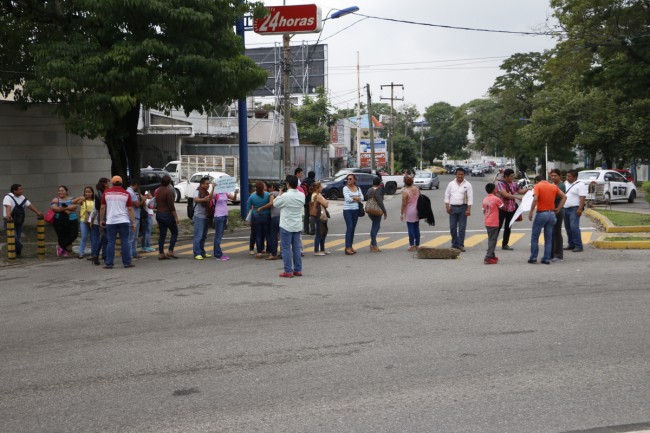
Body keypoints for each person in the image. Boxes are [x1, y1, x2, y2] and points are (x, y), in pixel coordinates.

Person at [99, 176, 137, 269]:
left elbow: (102, 207)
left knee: (111, 242)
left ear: (112, 183)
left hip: (111, 221)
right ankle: (127, 263)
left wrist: (101, 219)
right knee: (125, 242)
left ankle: (109, 263)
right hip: (123, 220)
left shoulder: (106, 193)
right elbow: (130, 209)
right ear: (121, 183)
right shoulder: (126, 194)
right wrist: (133, 222)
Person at [528, 175, 566, 265]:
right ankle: (546, 258)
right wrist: (558, 208)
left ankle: (533, 257)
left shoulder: (537, 186)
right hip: (552, 214)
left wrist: (531, 211)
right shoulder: (553, 186)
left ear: (537, 181)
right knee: (549, 238)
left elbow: (535, 199)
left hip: (542, 213)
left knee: (535, 237)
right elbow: (564, 196)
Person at [272, 175, 305, 277]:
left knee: (286, 248)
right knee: (296, 248)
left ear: (288, 184)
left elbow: (275, 203)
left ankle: (288, 271)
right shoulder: (301, 195)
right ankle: (298, 269)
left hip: (286, 224)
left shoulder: (285, 196)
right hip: (297, 224)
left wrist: (280, 193)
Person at [3, 184, 43, 257]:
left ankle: (18, 253)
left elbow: (29, 205)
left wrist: (37, 212)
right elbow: (7, 206)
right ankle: (19, 247)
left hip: (19, 221)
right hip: (10, 221)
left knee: (17, 237)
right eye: (20, 189)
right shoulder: (8, 197)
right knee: (13, 237)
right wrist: (8, 215)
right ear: (14, 191)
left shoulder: (22, 197)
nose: (22, 191)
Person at [496, 168, 529, 250]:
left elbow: (520, 191)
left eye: (513, 176)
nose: (512, 178)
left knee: (508, 226)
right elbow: (505, 194)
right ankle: (492, 244)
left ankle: (505, 244)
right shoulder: (500, 184)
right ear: (505, 176)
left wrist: (528, 189)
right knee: (498, 227)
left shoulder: (514, 184)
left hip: (511, 208)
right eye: (511, 176)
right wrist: (516, 197)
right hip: (502, 208)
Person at [444, 168, 473, 252]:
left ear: (464, 175)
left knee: (462, 228)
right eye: (458, 174)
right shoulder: (451, 184)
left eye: (462, 174)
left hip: (463, 208)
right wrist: (447, 207)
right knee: (452, 227)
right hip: (452, 208)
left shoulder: (468, 185)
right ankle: (454, 243)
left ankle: (460, 244)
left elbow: (470, 198)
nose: (460, 176)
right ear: (456, 174)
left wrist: (468, 209)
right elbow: (447, 196)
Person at [155, 174, 179, 260]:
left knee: (162, 234)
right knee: (174, 232)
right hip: (167, 214)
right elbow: (171, 206)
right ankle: (170, 251)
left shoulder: (158, 191)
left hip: (159, 214)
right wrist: (176, 217)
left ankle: (161, 253)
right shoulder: (168, 191)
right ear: (169, 182)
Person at [211, 181, 237, 261]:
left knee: (220, 235)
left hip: (224, 215)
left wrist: (235, 193)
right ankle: (218, 254)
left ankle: (217, 253)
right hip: (218, 216)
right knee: (218, 236)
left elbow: (233, 199)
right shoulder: (216, 193)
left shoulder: (225, 192)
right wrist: (213, 187)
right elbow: (210, 197)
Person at [50, 185, 79, 257]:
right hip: (59, 220)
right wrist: (66, 209)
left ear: (66, 191)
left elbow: (74, 207)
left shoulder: (72, 199)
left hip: (72, 219)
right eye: (59, 190)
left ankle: (60, 247)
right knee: (62, 236)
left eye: (62, 190)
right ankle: (64, 251)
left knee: (74, 234)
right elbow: (54, 208)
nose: (60, 192)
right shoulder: (56, 199)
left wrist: (62, 208)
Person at [563, 169, 588, 253]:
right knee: (568, 228)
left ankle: (578, 245)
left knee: (574, 227)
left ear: (575, 177)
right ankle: (571, 244)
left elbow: (582, 197)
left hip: (574, 208)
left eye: (569, 176)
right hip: (565, 208)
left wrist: (580, 209)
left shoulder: (580, 185)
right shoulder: (565, 183)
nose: (567, 177)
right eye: (567, 176)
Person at [248, 181, 271, 258]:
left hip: (256, 216)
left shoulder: (252, 196)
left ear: (256, 188)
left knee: (258, 234)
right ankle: (270, 251)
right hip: (267, 215)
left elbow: (248, 207)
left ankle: (259, 252)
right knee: (267, 234)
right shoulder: (268, 195)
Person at [342, 173, 364, 255]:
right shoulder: (345, 188)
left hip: (356, 210)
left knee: (353, 228)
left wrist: (355, 198)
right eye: (348, 179)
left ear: (355, 180)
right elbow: (347, 199)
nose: (348, 180)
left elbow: (362, 198)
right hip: (347, 210)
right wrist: (356, 198)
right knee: (350, 227)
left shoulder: (358, 188)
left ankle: (350, 246)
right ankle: (347, 247)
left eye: (350, 179)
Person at [482, 183, 504, 265]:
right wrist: (499, 196)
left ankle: (492, 255)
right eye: (496, 188)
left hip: (487, 221)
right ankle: (488, 257)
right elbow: (502, 207)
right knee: (493, 240)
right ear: (494, 190)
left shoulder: (485, 199)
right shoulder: (496, 199)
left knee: (491, 238)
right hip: (494, 222)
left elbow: (484, 210)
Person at [192, 177, 212, 260]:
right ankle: (197, 253)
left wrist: (214, 188)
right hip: (199, 216)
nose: (208, 185)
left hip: (206, 216)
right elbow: (195, 199)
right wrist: (203, 199)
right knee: (198, 235)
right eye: (207, 184)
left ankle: (202, 252)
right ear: (202, 184)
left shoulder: (206, 192)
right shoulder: (197, 191)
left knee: (204, 236)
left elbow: (210, 198)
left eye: (209, 184)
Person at [73, 186, 97, 259]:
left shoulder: (95, 201)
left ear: (92, 193)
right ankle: (81, 253)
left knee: (93, 238)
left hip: (93, 221)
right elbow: (74, 202)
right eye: (86, 192)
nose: (87, 193)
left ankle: (94, 253)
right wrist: (81, 198)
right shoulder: (83, 200)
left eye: (89, 192)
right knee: (84, 236)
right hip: (84, 220)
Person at [90, 177, 109, 265]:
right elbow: (97, 208)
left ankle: (99, 255)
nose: (109, 184)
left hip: (101, 216)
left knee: (104, 237)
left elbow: (95, 209)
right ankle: (99, 255)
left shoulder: (98, 194)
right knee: (104, 237)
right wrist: (92, 220)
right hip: (104, 216)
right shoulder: (105, 193)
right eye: (108, 183)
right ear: (105, 184)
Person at [549, 169, 566, 262]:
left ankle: (558, 255)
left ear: (559, 176)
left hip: (558, 211)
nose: (553, 177)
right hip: (551, 211)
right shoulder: (553, 185)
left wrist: (558, 208)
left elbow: (556, 196)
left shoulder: (561, 185)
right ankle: (552, 254)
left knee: (557, 233)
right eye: (552, 176)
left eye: (555, 175)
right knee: (551, 233)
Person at [126, 179, 145, 260]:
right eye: (138, 186)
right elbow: (137, 204)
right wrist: (144, 199)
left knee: (134, 237)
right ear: (136, 184)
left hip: (133, 216)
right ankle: (130, 255)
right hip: (133, 217)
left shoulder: (129, 192)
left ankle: (134, 253)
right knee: (132, 237)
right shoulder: (131, 193)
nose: (138, 188)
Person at [367, 177, 387, 253]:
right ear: (379, 183)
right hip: (377, 210)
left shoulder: (369, 189)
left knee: (375, 225)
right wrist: (384, 212)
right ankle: (373, 245)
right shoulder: (379, 190)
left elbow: (367, 197)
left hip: (370, 210)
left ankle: (372, 243)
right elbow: (380, 202)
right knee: (376, 226)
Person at [401, 175, 421, 252]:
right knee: (416, 227)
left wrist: (401, 213)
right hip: (418, 210)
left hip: (409, 211)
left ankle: (411, 244)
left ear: (405, 183)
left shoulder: (405, 192)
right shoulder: (417, 189)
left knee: (410, 228)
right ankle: (417, 244)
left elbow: (404, 204)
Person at [309, 181, 330, 256]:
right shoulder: (316, 195)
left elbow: (325, 202)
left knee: (323, 233)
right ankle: (316, 250)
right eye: (320, 187)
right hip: (319, 216)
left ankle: (322, 249)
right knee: (319, 233)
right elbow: (326, 204)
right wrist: (325, 201)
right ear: (317, 188)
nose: (322, 188)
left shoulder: (318, 194)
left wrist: (325, 201)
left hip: (321, 216)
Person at [266, 183, 281, 260]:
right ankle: (282, 253)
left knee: (274, 235)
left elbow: (271, 203)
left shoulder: (272, 194)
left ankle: (273, 253)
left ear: (273, 187)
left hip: (275, 216)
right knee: (282, 236)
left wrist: (262, 208)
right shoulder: (282, 194)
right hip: (282, 216)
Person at [302, 170, 316, 235]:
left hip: (305, 200)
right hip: (313, 200)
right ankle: (312, 230)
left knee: (306, 215)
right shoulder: (314, 182)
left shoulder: (304, 181)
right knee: (312, 215)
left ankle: (305, 230)